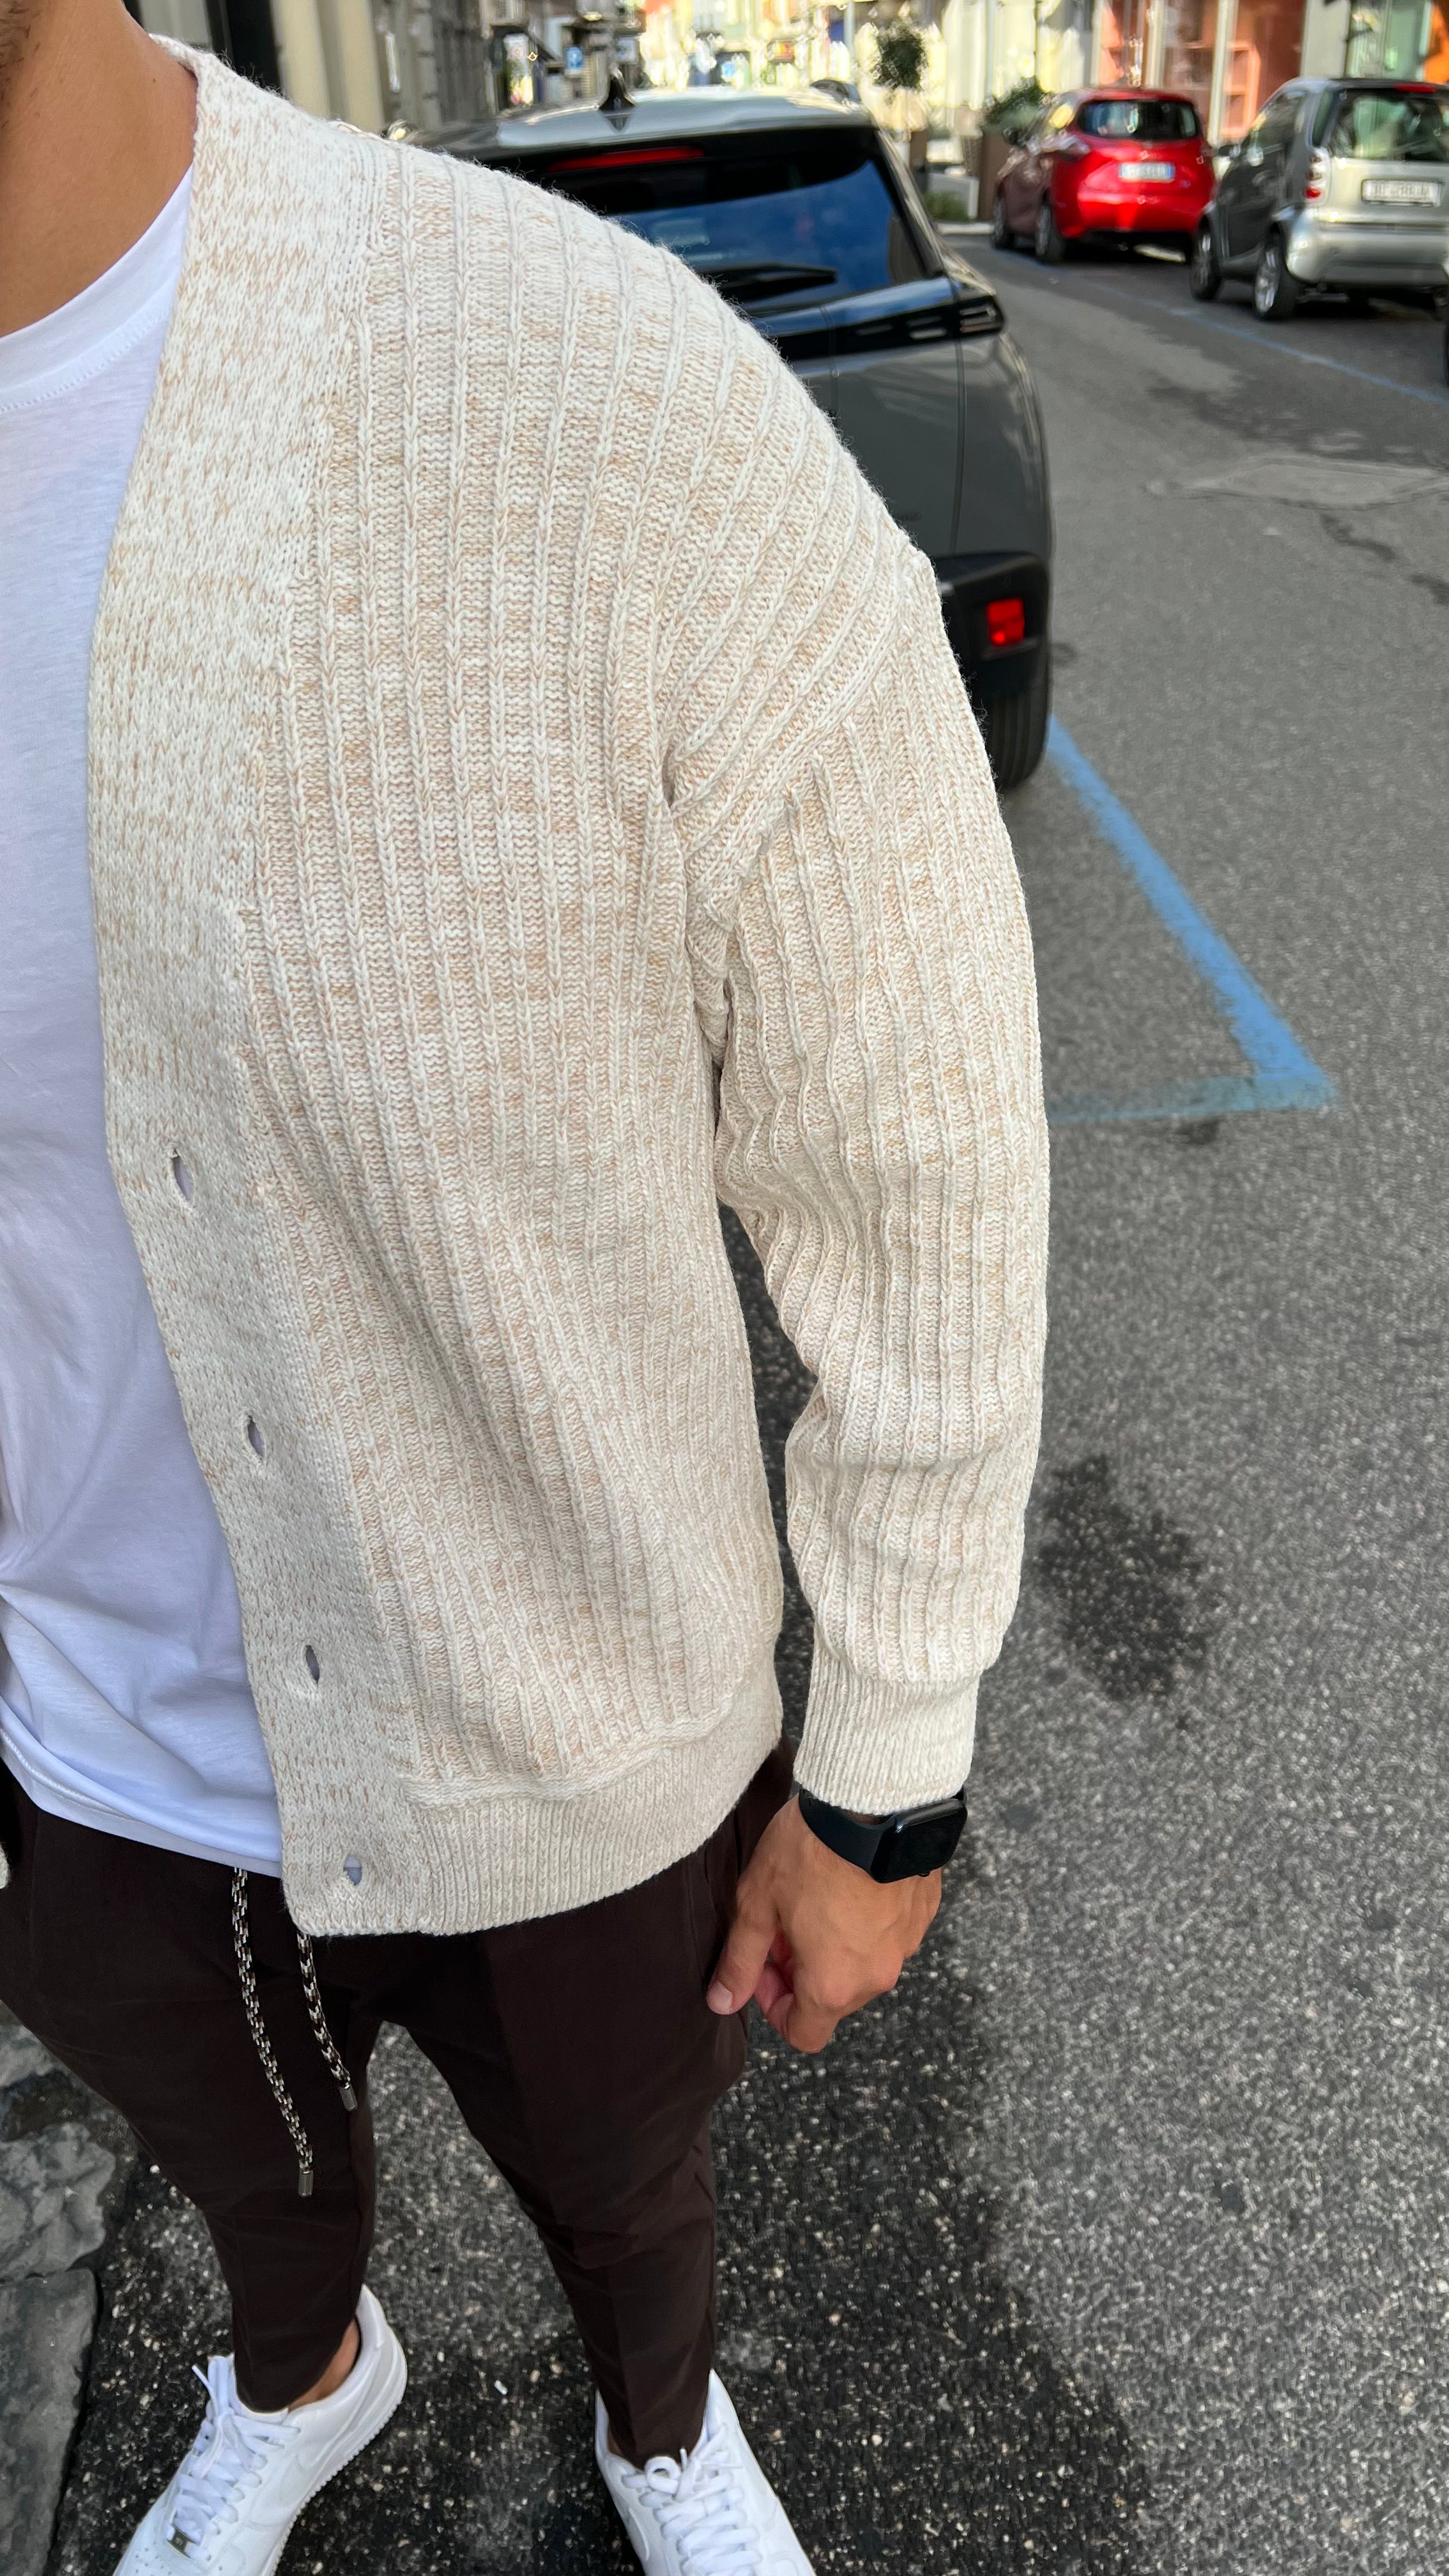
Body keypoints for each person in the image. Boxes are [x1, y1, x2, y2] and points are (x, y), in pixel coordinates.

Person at [0, 4, 1048, 2570]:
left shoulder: (582, 390)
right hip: (81, 1760)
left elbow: (912, 1145)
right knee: (247, 2177)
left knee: (627, 2187)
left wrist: (884, 1765)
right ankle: (304, 2374)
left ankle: (662, 2427)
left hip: (582, 1736)